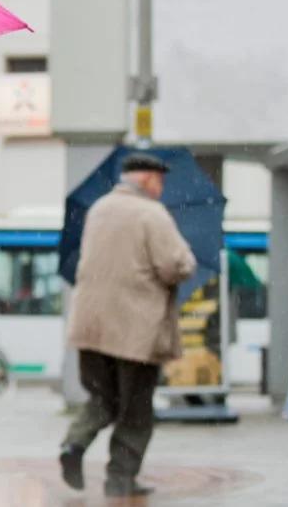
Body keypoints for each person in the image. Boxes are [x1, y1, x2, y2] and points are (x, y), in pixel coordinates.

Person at [59, 153, 196, 498]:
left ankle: (73, 445)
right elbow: (175, 265)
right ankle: (120, 479)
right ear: (148, 178)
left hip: (90, 326)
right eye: (160, 180)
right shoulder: (152, 214)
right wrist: (187, 260)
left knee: (102, 399)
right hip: (136, 329)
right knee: (135, 409)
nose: (162, 187)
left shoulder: (99, 209)